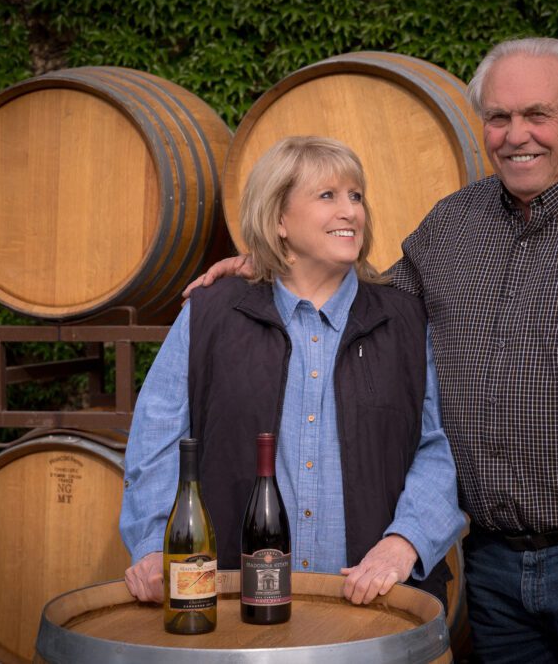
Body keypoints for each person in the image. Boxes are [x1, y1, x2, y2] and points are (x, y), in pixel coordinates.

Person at [187, 37, 558, 662]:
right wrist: (267, 267)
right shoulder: (452, 225)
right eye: (499, 118)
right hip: (494, 570)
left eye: (537, 114)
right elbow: (360, 303)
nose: (516, 135)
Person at [121, 136, 466, 610]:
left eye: (356, 196)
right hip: (233, 601)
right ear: (279, 219)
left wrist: (404, 542)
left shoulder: (405, 318)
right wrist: (154, 545)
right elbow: (157, 439)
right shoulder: (211, 313)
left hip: (372, 605)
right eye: (327, 196)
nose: (350, 211)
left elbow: (436, 448)